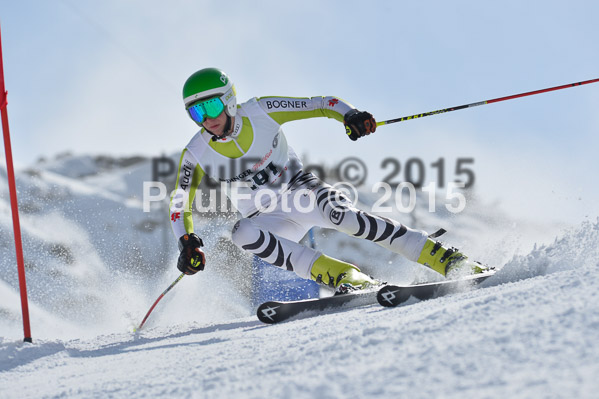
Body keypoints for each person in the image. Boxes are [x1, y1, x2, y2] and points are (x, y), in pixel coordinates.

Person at [169, 67, 486, 293]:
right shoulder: (196, 153)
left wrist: (350, 115)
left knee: (346, 219)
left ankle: (441, 255)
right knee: (242, 233)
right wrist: (186, 241)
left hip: (301, 191)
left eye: (210, 106)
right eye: (196, 113)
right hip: (265, 217)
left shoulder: (261, 110)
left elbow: (319, 103)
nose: (207, 119)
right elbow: (179, 202)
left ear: (229, 100)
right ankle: (344, 276)